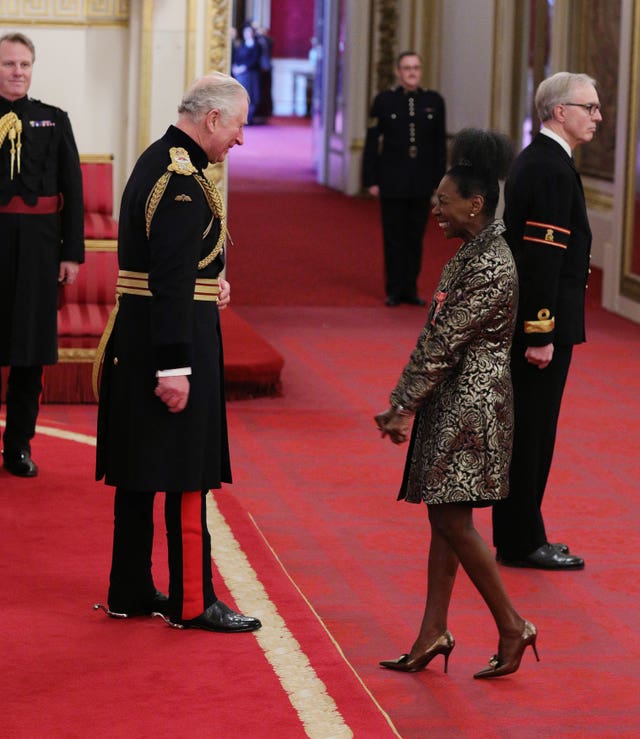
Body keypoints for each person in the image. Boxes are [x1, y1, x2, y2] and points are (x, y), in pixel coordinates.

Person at [93, 72, 261, 634]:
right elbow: (167, 276)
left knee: (140, 468)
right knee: (189, 470)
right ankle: (193, 601)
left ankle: (131, 589)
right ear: (213, 119)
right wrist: (175, 367)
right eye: (238, 126)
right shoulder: (182, 178)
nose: (240, 140)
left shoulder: (159, 157)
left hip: (142, 333)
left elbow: (172, 263)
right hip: (168, 341)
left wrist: (211, 281)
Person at [375, 129, 539, 679]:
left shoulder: (491, 262)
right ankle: (432, 632)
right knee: (447, 517)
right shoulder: (473, 252)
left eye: (443, 202)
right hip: (455, 401)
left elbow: (445, 341)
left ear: (477, 203)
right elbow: (438, 335)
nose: (434, 210)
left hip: (472, 408)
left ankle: (513, 625)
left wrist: (402, 403)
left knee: (451, 518)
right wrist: (410, 399)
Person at [492, 72, 602, 570]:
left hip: (542, 323)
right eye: (590, 107)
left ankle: (525, 533)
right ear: (561, 111)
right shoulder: (550, 169)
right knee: (532, 432)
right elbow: (541, 262)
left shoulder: (543, 161)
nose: (597, 117)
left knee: (533, 430)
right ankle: (520, 542)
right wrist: (541, 333)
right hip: (540, 327)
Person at [0, 32, 84, 477]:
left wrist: (71, 254)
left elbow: (73, 188)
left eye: (25, 65)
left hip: (38, 250)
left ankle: (17, 447)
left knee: (29, 355)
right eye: (9, 64)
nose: (18, 72)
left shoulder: (54, 120)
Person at [362, 51, 446, 307]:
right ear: (399, 72)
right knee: (394, 236)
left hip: (420, 181)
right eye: (407, 68)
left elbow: (439, 143)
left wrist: (439, 180)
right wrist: (371, 179)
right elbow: (372, 141)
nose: (412, 72)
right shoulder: (385, 101)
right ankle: (394, 289)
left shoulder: (434, 101)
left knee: (415, 237)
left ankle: (411, 287)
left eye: (416, 68)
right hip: (392, 179)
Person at [231, 23, 261, 125]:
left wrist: (244, 67)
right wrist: (235, 66)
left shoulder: (256, 45)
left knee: (250, 96)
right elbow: (237, 57)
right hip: (240, 74)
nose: (247, 34)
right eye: (246, 32)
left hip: (250, 74)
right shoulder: (242, 45)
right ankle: (241, 118)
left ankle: (249, 118)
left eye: (249, 32)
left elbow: (254, 60)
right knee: (241, 96)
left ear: (252, 33)